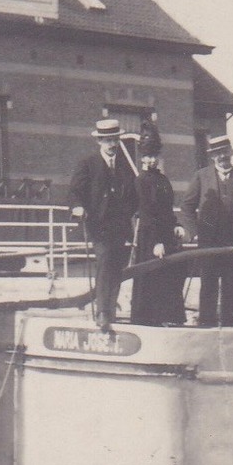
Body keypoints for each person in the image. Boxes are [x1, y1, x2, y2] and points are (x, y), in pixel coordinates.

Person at [180, 134, 233, 327]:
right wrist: (196, 232)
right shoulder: (201, 176)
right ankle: (207, 326)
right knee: (208, 286)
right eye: (217, 154)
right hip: (210, 243)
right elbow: (186, 207)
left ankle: (229, 327)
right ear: (212, 157)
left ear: (231, 152)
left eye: (225, 152)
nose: (222, 157)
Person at [68, 118, 139, 329]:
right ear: (99, 141)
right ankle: (102, 312)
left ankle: (111, 310)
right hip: (98, 225)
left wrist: (132, 211)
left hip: (120, 225)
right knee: (105, 262)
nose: (111, 144)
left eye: (114, 140)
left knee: (117, 267)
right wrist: (78, 207)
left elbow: (134, 194)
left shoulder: (126, 166)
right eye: (107, 140)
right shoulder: (88, 164)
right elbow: (74, 192)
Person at [129, 124, 185, 326]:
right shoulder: (141, 181)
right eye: (147, 156)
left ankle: (168, 319)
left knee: (168, 278)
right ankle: (148, 322)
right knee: (150, 279)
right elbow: (146, 214)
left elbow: (167, 210)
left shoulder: (163, 180)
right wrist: (156, 242)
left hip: (166, 235)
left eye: (154, 155)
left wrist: (176, 225)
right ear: (142, 158)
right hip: (150, 238)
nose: (151, 160)